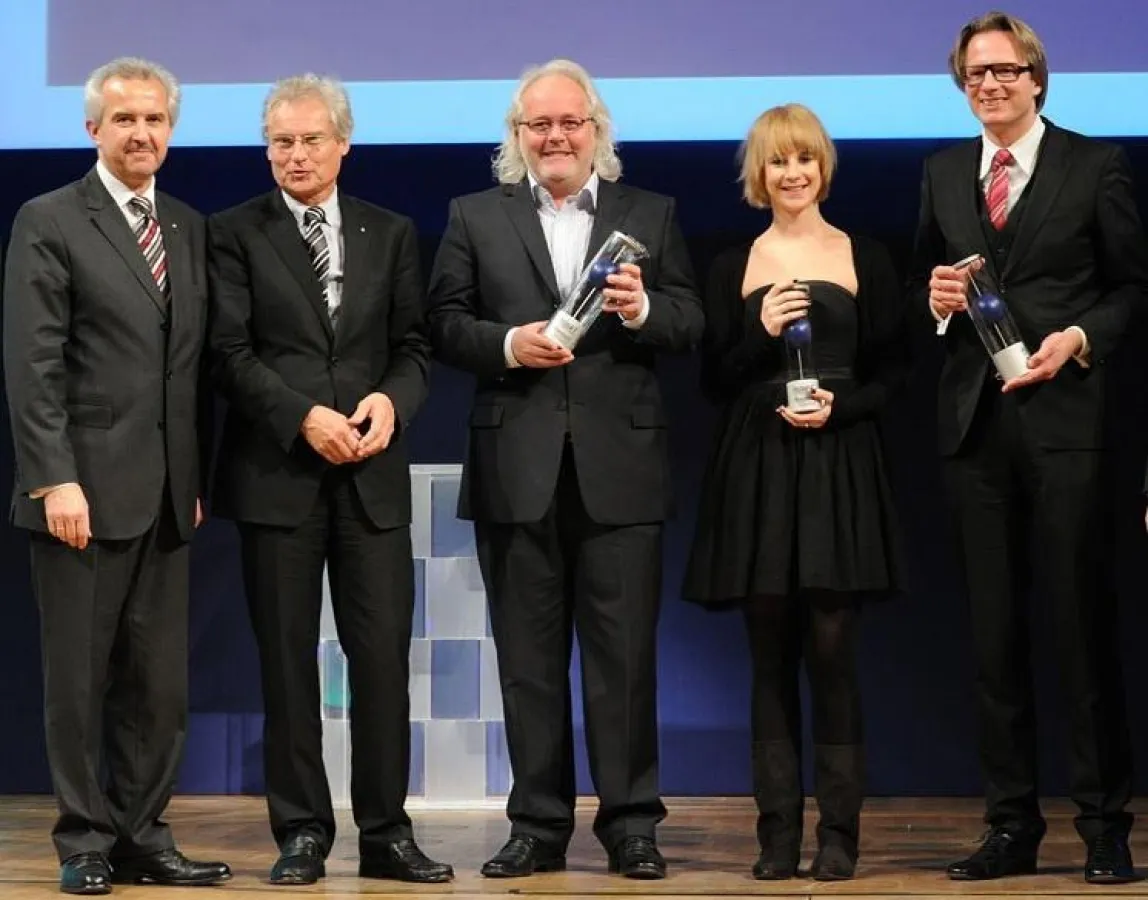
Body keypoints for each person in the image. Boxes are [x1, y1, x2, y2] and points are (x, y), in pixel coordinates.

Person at [426, 58, 702, 880]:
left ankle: (631, 827)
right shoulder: (474, 216)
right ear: (518, 137)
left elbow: (690, 319)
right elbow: (442, 322)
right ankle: (538, 827)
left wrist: (643, 310)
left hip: (621, 467)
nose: (554, 137)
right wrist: (509, 344)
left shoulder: (648, 214)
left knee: (624, 662)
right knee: (528, 662)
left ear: (596, 131)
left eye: (569, 122)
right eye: (537, 125)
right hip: (518, 465)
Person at [909, 11, 1148, 884]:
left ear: (1037, 78)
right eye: (976, 75)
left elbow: (1132, 288)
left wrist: (1080, 336)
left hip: (1069, 429)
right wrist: (934, 300)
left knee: (1083, 630)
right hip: (975, 432)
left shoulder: (1096, 164)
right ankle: (1010, 825)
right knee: (993, 639)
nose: (991, 86)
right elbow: (925, 291)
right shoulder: (940, 173)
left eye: (1006, 71)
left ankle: (1103, 827)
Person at [207, 74, 450, 885]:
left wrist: (390, 401)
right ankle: (302, 833)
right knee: (286, 663)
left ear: (344, 143)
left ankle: (386, 833)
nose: (296, 154)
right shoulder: (233, 232)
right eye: (281, 141)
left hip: (372, 477)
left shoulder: (392, 231)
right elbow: (230, 354)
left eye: (311, 139)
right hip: (278, 473)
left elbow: (415, 345)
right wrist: (303, 416)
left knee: (381, 663)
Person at [2, 57, 229, 894]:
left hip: (168, 494)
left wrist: (192, 473)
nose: (142, 134)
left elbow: (189, 372)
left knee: (158, 688)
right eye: (125, 119)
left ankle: (144, 835)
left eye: (155, 120)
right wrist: (52, 478)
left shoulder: (187, 227)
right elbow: (33, 365)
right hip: (81, 495)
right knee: (79, 682)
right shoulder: (51, 218)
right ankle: (84, 843)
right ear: (92, 128)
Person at [684, 103, 905, 881]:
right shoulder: (730, 264)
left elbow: (894, 373)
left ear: (824, 167)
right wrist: (759, 334)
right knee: (769, 653)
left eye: (804, 159)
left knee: (834, 650)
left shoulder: (864, 256)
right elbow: (714, 380)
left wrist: (843, 406)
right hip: (761, 466)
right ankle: (775, 835)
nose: (792, 174)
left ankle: (838, 835)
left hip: (838, 463)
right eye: (778, 161)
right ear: (760, 172)